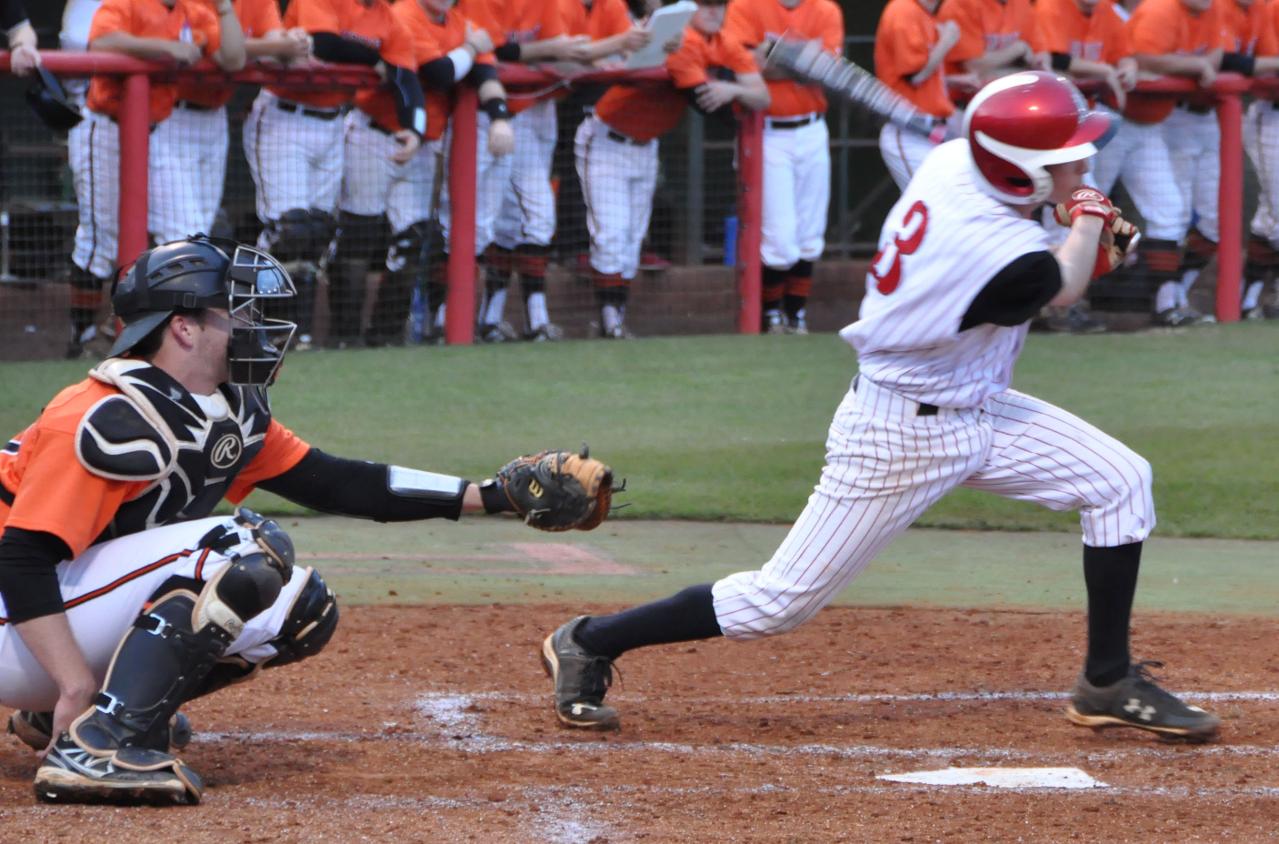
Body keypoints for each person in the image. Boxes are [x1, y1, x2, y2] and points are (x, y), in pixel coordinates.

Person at [540, 72, 1221, 745]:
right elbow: (1062, 283)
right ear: (1020, 172)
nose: (1084, 163)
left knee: (1119, 480)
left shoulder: (955, 160)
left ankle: (1105, 682)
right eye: (1065, 158)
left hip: (975, 404)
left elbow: (1051, 253)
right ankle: (589, 640)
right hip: (899, 434)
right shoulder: (995, 253)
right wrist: (1090, 221)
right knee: (776, 602)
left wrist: (1072, 219)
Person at [0, 235, 591, 805]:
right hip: (17, 620)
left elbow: (338, 481)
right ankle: (98, 744)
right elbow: (22, 557)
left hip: (51, 621)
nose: (253, 327)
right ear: (183, 327)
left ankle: (113, 710)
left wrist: (490, 497)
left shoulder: (216, 408)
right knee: (238, 546)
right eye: (234, 313)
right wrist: (72, 682)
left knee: (300, 609)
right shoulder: (100, 416)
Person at [576, 0, 769, 339]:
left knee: (632, 238)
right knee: (611, 233)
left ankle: (615, 319)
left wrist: (732, 88)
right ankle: (610, 321)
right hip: (607, 138)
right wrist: (730, 90)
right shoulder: (682, 39)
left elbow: (761, 97)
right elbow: (703, 99)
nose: (714, 13)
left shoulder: (724, 40)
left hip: (647, 145)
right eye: (706, 6)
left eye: (720, 6)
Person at [66, 0, 244, 360]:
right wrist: (166, 48)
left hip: (157, 131)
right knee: (102, 243)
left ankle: (156, 339)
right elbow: (100, 43)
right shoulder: (128, 3)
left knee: (190, 235)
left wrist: (224, 8)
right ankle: (83, 336)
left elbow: (234, 59)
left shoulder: (191, 10)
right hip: (106, 129)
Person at [242, 0, 425, 348]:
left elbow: (405, 74)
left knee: (316, 231)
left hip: (331, 123)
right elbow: (322, 41)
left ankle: (295, 331)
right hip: (285, 116)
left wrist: (413, 128)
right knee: (288, 228)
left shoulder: (387, 18)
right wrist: (374, 59)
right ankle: (251, 318)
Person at [157, 0, 311, 269]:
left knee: (202, 228)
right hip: (170, 113)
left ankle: (183, 307)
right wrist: (281, 46)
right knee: (183, 233)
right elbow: (227, 53)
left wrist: (290, 44)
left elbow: (272, 50)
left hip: (214, 117)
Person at [725, 0, 844, 335]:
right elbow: (743, 65)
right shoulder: (745, 7)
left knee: (810, 232)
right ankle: (770, 315)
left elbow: (827, 69)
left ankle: (796, 316)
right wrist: (800, 59)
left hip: (812, 128)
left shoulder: (825, 10)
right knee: (779, 236)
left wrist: (774, 55)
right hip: (767, 131)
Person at [1121, 0, 1228, 325]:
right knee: (1078, 213)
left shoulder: (1212, 12)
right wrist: (1196, 66)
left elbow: (1219, 51)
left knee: (1170, 211)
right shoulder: (1158, 10)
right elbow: (1140, 57)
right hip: (1110, 117)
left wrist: (1193, 63)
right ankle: (1060, 306)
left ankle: (1166, 304)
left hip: (1151, 122)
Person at [873, 0, 960, 189]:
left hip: (932, 132)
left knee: (943, 207)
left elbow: (926, 76)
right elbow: (915, 75)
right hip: (908, 129)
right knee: (933, 207)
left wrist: (957, 81)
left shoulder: (924, 13)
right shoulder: (903, 9)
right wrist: (946, 42)